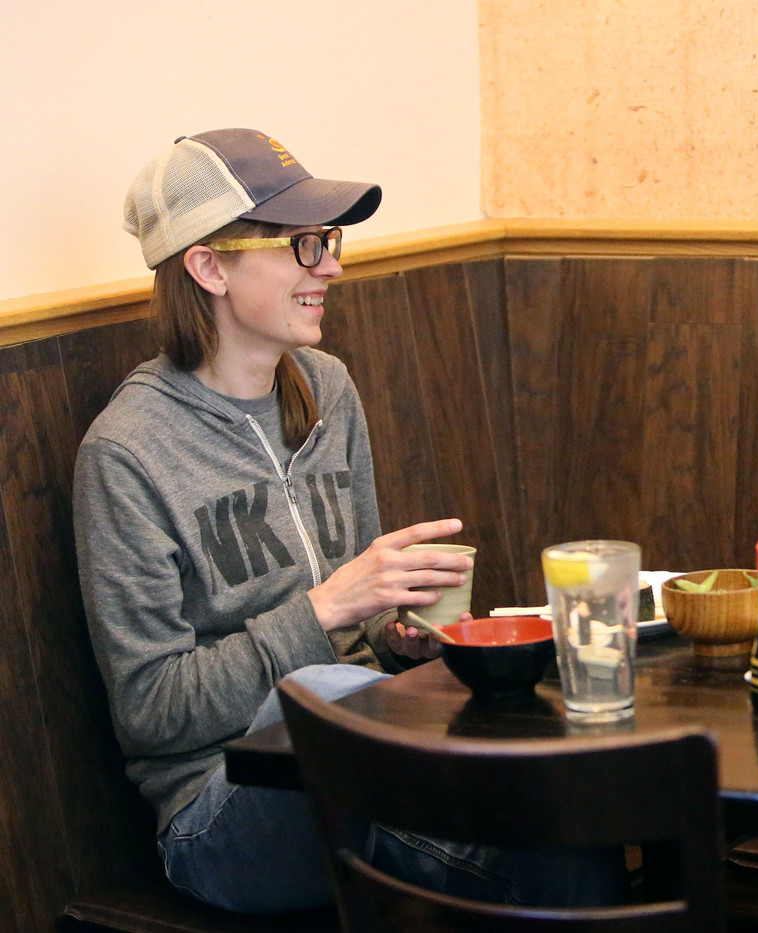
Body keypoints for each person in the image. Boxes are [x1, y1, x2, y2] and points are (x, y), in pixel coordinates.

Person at [73, 129, 622, 914]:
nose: (332, 264)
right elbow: (152, 710)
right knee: (332, 697)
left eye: (326, 240)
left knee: (575, 833)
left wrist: (398, 629)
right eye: (301, 245)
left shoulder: (326, 388)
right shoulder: (127, 451)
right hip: (221, 809)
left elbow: (360, 650)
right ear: (208, 266)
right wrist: (325, 609)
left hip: (368, 752)